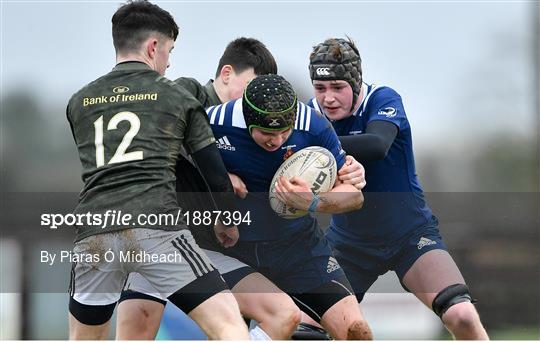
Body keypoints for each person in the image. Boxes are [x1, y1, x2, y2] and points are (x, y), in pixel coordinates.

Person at [65, 1, 249, 339]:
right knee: (229, 326)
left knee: (83, 338)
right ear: (153, 47)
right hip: (157, 229)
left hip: (94, 234)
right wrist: (227, 219)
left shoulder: (79, 101)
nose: (169, 61)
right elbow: (214, 173)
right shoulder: (176, 97)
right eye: (169, 50)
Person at [116, 37, 303, 341]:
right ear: (226, 74)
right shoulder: (191, 93)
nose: (256, 101)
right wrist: (219, 174)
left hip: (215, 256)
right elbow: (155, 134)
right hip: (162, 243)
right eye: (251, 87)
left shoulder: (259, 132)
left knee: (284, 316)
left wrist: (340, 168)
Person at [307, 37, 489, 340]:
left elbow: (377, 145)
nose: (328, 98)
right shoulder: (309, 115)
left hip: (410, 236)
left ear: (355, 81)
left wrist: (317, 146)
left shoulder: (382, 99)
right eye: (320, 88)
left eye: (337, 87)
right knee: (307, 326)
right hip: (349, 246)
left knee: (462, 315)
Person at [204, 74, 373, 340]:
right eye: (267, 133)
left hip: (298, 249)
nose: (277, 140)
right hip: (234, 252)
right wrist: (217, 182)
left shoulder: (313, 126)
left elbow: (354, 196)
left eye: (285, 132)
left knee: (357, 332)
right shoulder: (213, 122)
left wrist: (314, 201)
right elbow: (177, 173)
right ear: (248, 121)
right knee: (267, 324)